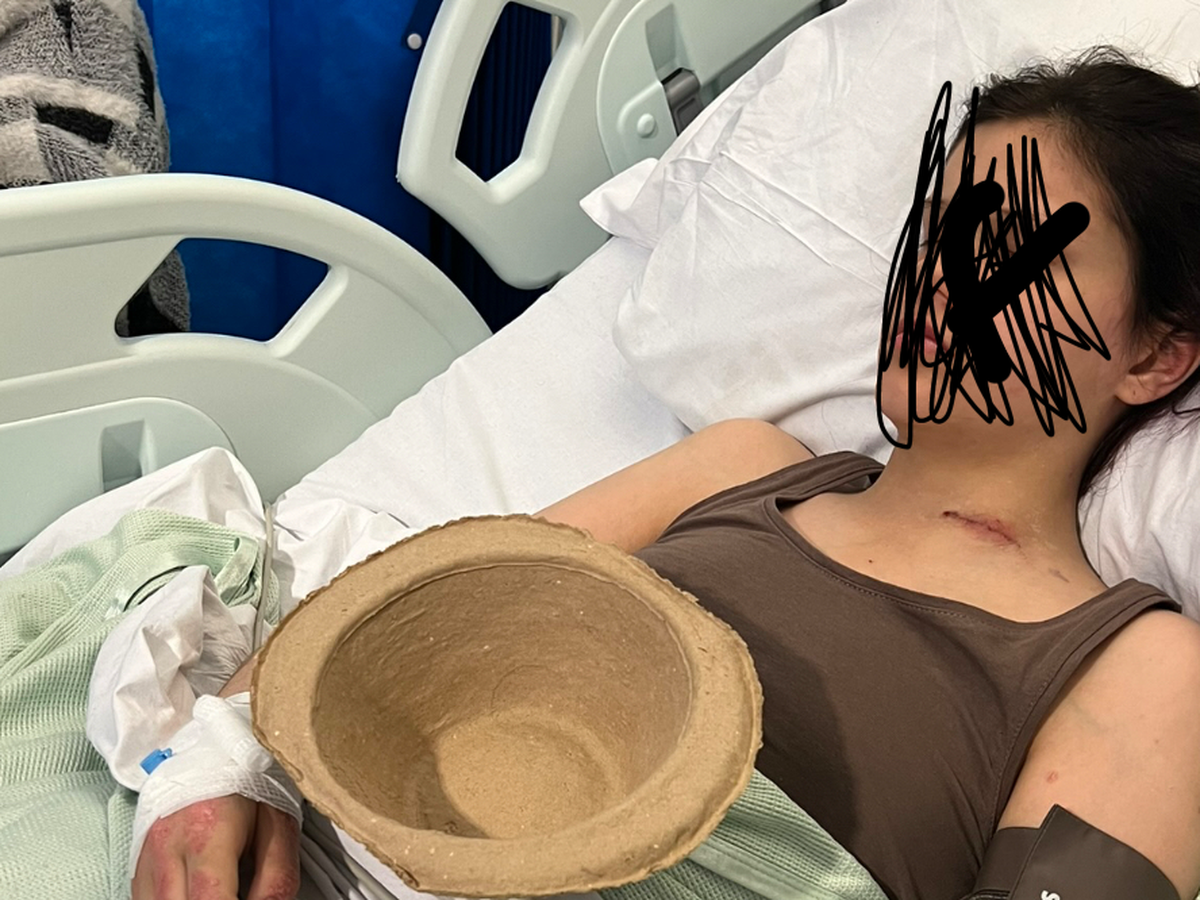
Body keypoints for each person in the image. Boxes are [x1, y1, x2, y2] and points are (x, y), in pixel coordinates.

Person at [130, 48, 1200, 900]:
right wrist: (222, 770)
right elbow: (404, 622)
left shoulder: (1145, 671)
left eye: (1016, 252)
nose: (942, 279)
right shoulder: (750, 466)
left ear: (1155, 356)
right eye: (940, 231)